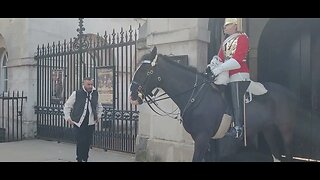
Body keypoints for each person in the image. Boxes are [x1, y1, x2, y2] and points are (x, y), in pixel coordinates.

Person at [207, 18, 251, 139]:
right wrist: (213, 63)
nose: (224, 27)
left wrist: (219, 69)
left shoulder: (242, 38)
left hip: (239, 74)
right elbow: (220, 58)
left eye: (227, 25)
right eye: (224, 25)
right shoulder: (225, 42)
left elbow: (237, 60)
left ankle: (238, 128)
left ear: (235, 26)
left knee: (236, 100)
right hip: (227, 76)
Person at [63, 77, 103, 162]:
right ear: (83, 84)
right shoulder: (76, 93)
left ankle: (85, 158)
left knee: (88, 142)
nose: (90, 86)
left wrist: (98, 116)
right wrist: (68, 117)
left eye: (91, 84)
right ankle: (79, 159)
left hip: (90, 122)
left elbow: (99, 106)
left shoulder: (95, 94)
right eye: (88, 84)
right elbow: (67, 105)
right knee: (81, 141)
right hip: (79, 122)